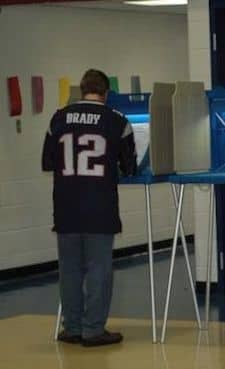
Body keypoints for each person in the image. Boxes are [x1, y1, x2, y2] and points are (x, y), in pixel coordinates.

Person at [42, 69, 137, 347]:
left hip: (66, 206)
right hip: (100, 207)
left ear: (81, 90)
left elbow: (48, 162)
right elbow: (129, 166)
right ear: (106, 94)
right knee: (98, 268)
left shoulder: (58, 118)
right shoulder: (117, 121)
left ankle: (71, 328)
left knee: (69, 269)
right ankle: (93, 330)